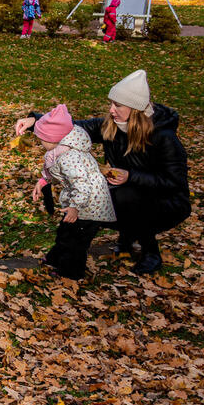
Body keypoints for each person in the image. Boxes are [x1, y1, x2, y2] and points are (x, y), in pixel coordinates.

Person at [14, 70, 190, 274]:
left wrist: (130, 176)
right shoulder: (111, 125)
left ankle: (150, 251)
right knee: (98, 199)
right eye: (111, 103)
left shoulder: (164, 137)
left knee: (123, 197)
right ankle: (74, 254)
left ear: (135, 108)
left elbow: (174, 181)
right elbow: (70, 127)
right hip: (126, 192)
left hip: (167, 203)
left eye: (118, 105)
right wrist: (34, 121)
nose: (112, 110)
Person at [29, 104, 117, 278]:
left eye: (41, 139)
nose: (40, 142)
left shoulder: (70, 157)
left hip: (91, 205)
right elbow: (52, 170)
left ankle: (72, 272)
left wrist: (75, 207)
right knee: (65, 231)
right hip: (79, 202)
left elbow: (83, 185)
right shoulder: (59, 150)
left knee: (77, 240)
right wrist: (42, 181)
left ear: (53, 138)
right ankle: (56, 258)